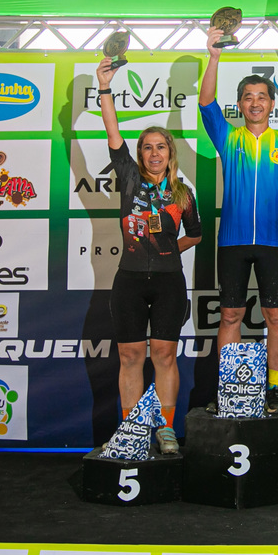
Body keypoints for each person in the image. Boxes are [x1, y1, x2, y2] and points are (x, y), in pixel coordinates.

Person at [198, 26, 278, 413]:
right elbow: (206, 102)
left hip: (274, 244)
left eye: (262, 96)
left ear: (272, 103)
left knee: (276, 315)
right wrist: (214, 56)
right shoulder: (228, 138)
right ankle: (229, 388)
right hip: (231, 242)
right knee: (230, 314)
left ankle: (275, 390)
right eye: (248, 97)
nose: (256, 103)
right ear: (240, 105)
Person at [96, 59, 202, 455]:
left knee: (164, 354)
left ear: (170, 152)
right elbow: (113, 132)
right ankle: (131, 429)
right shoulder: (129, 178)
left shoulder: (183, 193)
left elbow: (196, 234)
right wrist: (104, 87)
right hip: (128, 280)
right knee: (129, 355)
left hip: (169, 281)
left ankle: (166, 429)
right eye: (147, 146)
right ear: (139, 153)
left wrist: (169, 249)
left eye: (160, 146)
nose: (154, 152)